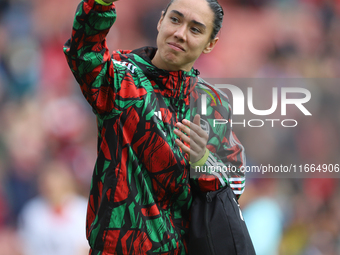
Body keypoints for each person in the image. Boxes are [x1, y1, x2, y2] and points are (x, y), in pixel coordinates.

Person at [63, 0, 246, 254]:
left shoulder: (213, 105)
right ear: (161, 21)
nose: (180, 33)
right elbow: (83, 51)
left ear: (210, 44)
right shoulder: (120, 77)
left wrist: (204, 161)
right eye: (175, 19)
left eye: (195, 29)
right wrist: (100, 4)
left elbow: (235, 186)